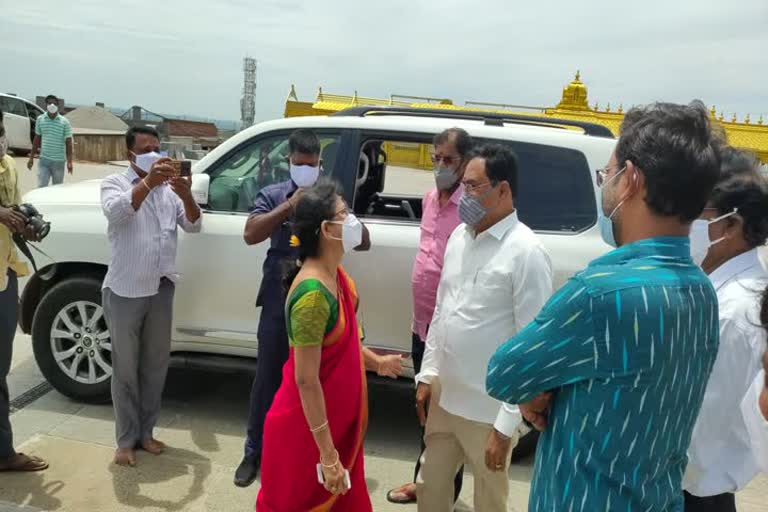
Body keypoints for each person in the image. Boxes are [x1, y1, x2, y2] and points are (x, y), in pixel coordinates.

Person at [486, 101, 722, 512]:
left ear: (630, 179)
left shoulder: (600, 293)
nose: (604, 185)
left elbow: (503, 374)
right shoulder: (702, 291)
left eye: (606, 174)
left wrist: (539, 391)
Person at [415, 144, 553, 512]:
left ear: (503, 190)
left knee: (489, 502)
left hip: (488, 411)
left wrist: (507, 425)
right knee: (430, 488)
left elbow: (531, 347)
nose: (464, 195)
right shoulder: (460, 238)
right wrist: (428, 374)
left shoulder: (526, 252)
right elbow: (443, 310)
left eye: (474, 187)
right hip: (446, 399)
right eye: (464, 185)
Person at [255, 178, 401, 511]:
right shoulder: (312, 296)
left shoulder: (337, 277)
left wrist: (376, 363)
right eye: (344, 213)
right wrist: (329, 454)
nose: (352, 221)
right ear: (326, 228)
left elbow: (340, 347)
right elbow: (306, 380)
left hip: (337, 430)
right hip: (306, 438)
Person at [235, 129, 371, 487]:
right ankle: (254, 453)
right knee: (267, 378)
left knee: (312, 382)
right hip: (279, 300)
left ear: (320, 164)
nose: (306, 171)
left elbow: (363, 239)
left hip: (319, 298)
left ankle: (307, 453)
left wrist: (340, 217)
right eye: (300, 164)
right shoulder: (274, 194)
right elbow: (251, 234)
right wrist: (289, 207)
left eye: (312, 166)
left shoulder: (330, 201)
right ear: (289, 162)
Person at [100, 126, 202, 466]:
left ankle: (146, 432)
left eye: (157, 148)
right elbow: (117, 213)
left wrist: (185, 194)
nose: (155, 154)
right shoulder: (115, 183)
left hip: (161, 286)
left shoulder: (169, 192)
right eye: (146, 148)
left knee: (155, 366)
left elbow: (193, 225)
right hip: (126, 290)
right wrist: (147, 183)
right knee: (126, 368)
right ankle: (125, 440)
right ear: (131, 155)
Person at [386, 127, 472, 505]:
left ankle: (442, 495)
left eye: (449, 160)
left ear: (465, 162)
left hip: (449, 332)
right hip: (421, 326)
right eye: (436, 159)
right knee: (424, 411)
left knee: (446, 420)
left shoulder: (471, 208)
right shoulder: (429, 199)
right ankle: (423, 481)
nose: (440, 166)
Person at [684, 148, 768, 511]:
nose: (687, 226)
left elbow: (703, 426)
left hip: (695, 493)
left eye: (698, 216)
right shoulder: (725, 291)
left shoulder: (733, 310)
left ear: (732, 226)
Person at [0, 119, 49, 473]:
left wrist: (23, 224)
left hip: (3, 275)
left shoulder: (7, 166)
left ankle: (3, 452)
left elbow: (11, 212)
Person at [27, 95, 73, 188]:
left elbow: (69, 143)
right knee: (41, 187)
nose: (52, 105)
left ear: (58, 106)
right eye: (49, 103)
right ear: (46, 105)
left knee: (56, 189)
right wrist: (31, 157)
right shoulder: (40, 119)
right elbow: (37, 139)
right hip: (44, 160)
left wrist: (69, 162)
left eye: (55, 103)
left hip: (59, 162)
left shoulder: (65, 122)